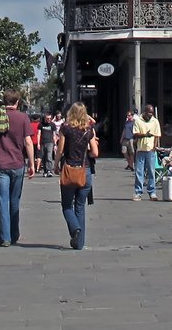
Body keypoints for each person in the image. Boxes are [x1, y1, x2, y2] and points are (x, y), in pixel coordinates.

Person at [0, 89, 35, 246]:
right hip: (17, 164)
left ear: (4, 101)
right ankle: (14, 233)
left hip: (0, 165)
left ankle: (5, 237)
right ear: (17, 102)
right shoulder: (23, 118)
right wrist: (32, 163)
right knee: (14, 201)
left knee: (2, 201)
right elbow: (28, 142)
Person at [56, 102, 99, 250]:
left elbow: (60, 150)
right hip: (85, 171)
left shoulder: (65, 128)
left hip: (69, 170)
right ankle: (79, 243)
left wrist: (56, 165)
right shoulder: (89, 130)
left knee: (67, 205)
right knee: (80, 207)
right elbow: (95, 153)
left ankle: (75, 229)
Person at [131, 104, 161, 201]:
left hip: (150, 150)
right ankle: (138, 192)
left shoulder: (155, 121)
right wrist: (145, 135)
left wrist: (154, 147)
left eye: (152, 113)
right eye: (149, 113)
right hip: (140, 149)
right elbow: (135, 134)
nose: (150, 115)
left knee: (151, 172)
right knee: (139, 171)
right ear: (145, 112)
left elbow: (157, 135)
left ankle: (152, 192)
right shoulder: (138, 120)